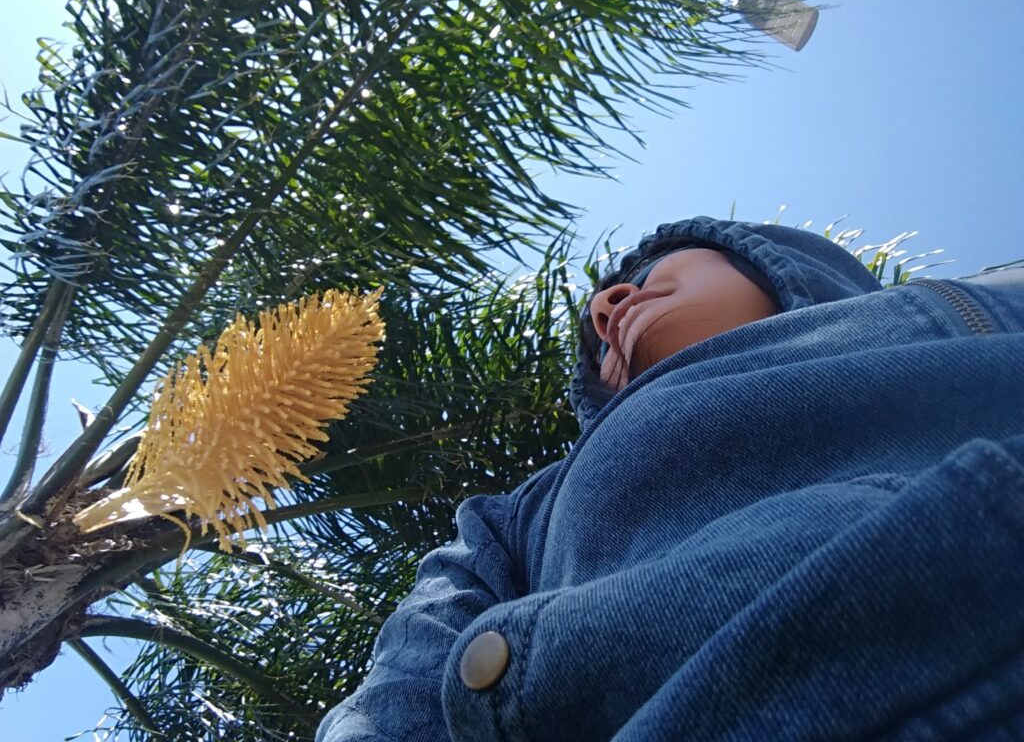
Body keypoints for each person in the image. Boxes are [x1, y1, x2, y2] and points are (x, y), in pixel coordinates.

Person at [317, 216, 1024, 741]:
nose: (606, 308)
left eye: (652, 271)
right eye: (598, 341)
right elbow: (416, 655)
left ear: (781, 262)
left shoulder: (968, 307)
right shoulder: (529, 508)